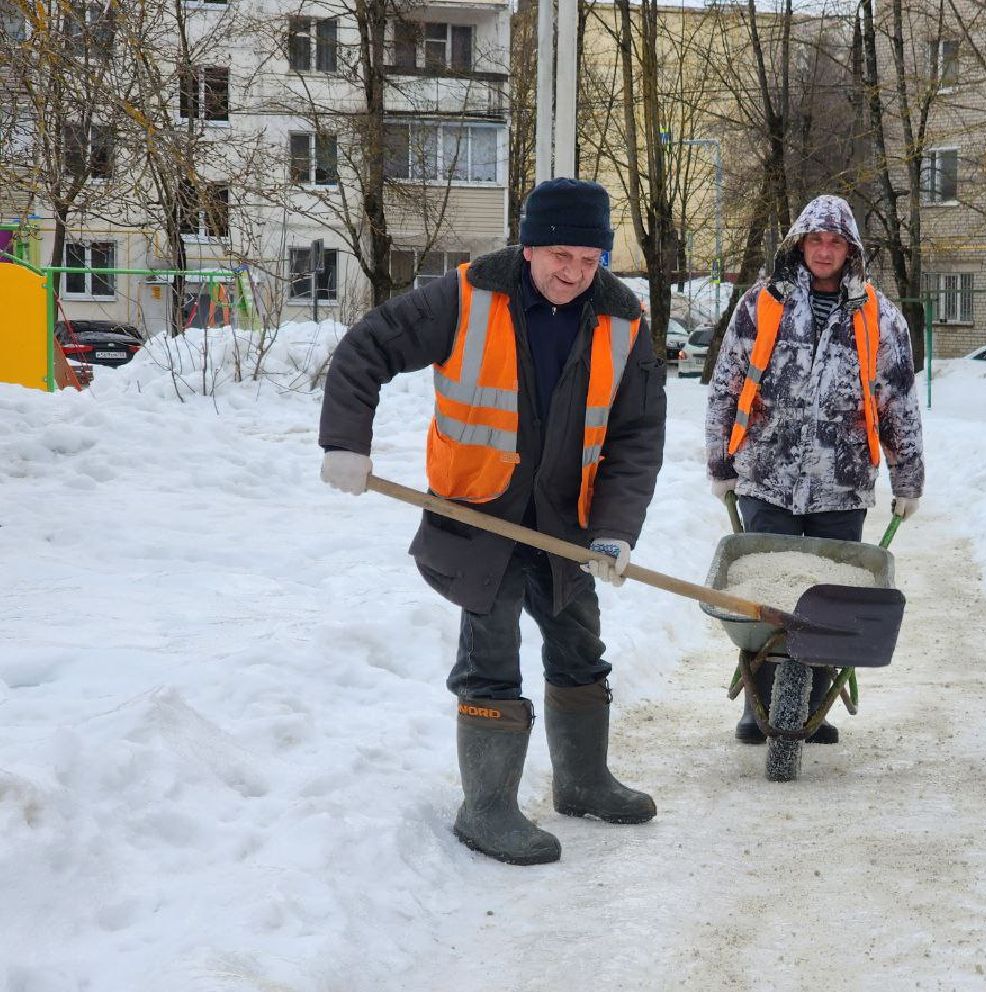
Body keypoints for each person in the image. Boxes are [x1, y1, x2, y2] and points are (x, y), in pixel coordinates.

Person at [319, 177, 667, 866]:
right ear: (531, 245)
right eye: (560, 255)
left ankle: (584, 780)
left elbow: (637, 435)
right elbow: (367, 348)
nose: (572, 272)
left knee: (579, 645)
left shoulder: (624, 321)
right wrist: (345, 443)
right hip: (478, 515)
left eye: (589, 259)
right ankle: (487, 807)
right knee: (491, 652)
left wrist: (617, 529)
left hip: (566, 522)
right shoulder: (467, 297)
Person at [705, 193, 924, 745]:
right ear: (798, 244)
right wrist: (720, 462)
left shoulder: (879, 315)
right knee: (765, 600)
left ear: (850, 251)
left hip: (842, 483)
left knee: (828, 599)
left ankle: (811, 709)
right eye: (815, 240)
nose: (824, 251)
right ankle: (760, 707)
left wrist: (907, 479)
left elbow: (899, 400)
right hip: (767, 476)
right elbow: (726, 385)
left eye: (835, 243)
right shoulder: (762, 305)